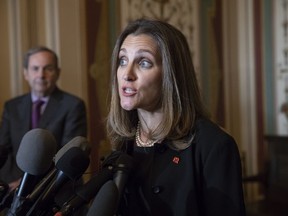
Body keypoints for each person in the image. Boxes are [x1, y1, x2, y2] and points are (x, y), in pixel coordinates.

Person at [106, 18, 246, 216]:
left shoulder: (214, 145)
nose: (126, 74)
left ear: (171, 74)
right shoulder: (123, 145)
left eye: (144, 62)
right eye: (122, 60)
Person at [0, 46, 87, 201]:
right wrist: (13, 183)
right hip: (14, 192)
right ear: (25, 73)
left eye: (48, 68)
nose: (41, 75)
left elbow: (67, 155)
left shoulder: (73, 105)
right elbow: (4, 149)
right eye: (35, 68)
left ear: (58, 72)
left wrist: (26, 182)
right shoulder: (11, 107)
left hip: (56, 192)